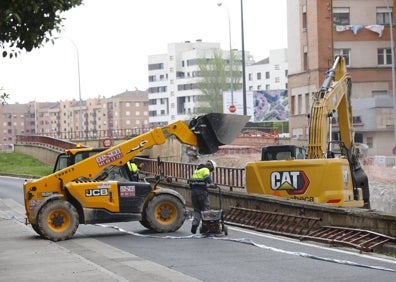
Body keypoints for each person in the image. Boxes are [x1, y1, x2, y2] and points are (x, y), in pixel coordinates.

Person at [189, 160, 217, 234]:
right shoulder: (205, 169)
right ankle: (205, 226)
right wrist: (212, 184)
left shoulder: (197, 170)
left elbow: (191, 181)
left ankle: (195, 224)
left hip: (193, 192)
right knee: (205, 209)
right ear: (210, 167)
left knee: (197, 209)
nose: (210, 171)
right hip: (201, 191)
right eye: (211, 170)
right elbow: (207, 177)